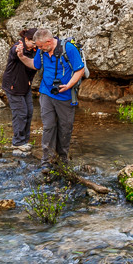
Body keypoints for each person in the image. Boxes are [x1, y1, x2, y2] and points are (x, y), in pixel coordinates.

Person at [23, 28, 86, 166]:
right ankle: (47, 160)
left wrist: (69, 85)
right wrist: (22, 57)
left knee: (65, 127)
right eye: (37, 46)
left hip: (65, 95)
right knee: (48, 126)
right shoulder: (42, 50)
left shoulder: (68, 48)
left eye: (40, 46)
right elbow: (35, 65)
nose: (38, 49)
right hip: (46, 92)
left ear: (49, 41)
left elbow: (79, 69)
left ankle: (62, 159)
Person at [1, 28, 38, 150]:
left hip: (25, 85)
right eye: (33, 42)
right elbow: (14, 52)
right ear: (26, 39)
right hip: (13, 86)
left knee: (29, 111)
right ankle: (17, 142)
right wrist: (19, 52)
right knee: (20, 113)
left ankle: (24, 140)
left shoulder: (35, 49)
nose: (36, 45)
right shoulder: (18, 46)